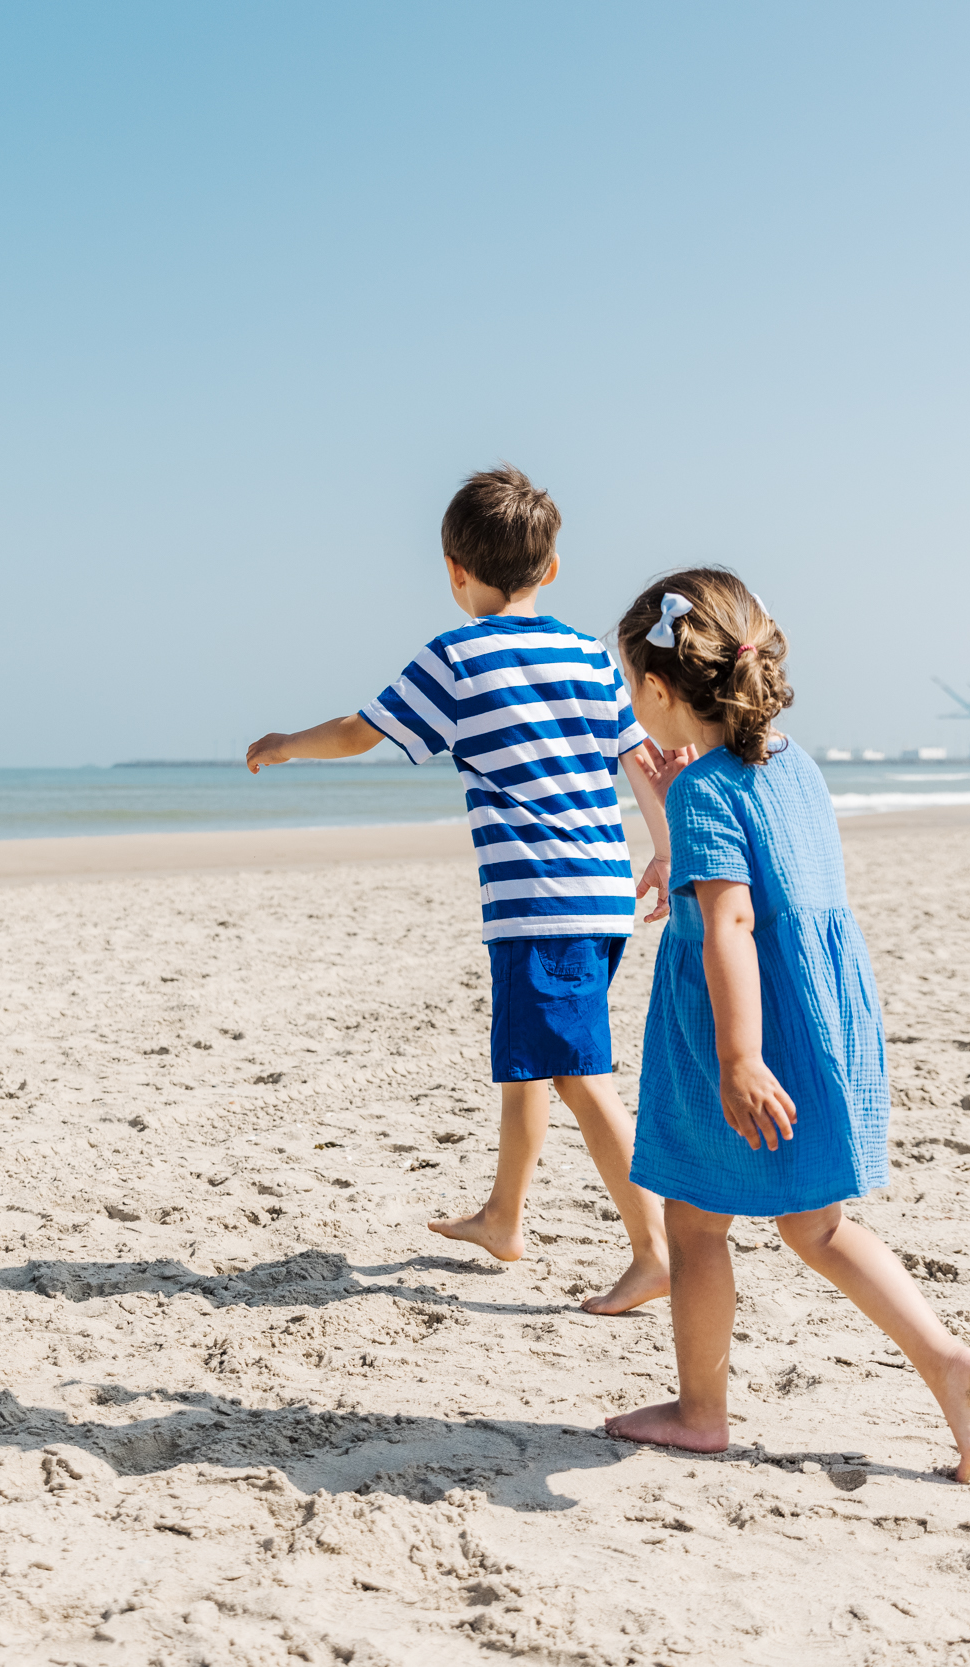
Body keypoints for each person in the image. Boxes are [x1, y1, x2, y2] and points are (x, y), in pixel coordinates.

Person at [600, 568, 970, 1481]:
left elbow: (731, 919)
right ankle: (948, 1363)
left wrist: (739, 1054)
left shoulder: (705, 792)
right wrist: (681, 791)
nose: (634, 706)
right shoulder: (792, 761)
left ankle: (702, 1410)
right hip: (820, 1020)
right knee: (816, 1226)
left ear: (662, 692)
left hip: (739, 1028)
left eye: (635, 690)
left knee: (697, 1221)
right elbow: (767, 863)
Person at [244, 466, 675, 1315]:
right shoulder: (590, 654)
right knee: (532, 1060)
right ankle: (503, 1217)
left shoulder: (457, 656)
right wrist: (664, 848)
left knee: (576, 1069)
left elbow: (361, 731)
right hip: (597, 889)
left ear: (453, 570)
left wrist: (285, 743)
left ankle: (655, 1247)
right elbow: (638, 760)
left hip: (539, 900)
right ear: (549, 569)